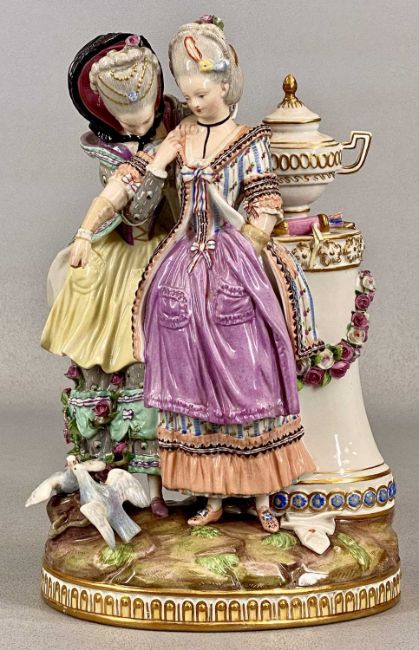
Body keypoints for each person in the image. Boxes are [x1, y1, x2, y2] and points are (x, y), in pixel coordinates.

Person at [126, 18, 322, 532]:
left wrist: (247, 249)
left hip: (234, 258)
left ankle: (262, 494)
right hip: (184, 263)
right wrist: (156, 166)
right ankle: (210, 494)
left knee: (248, 373)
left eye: (202, 93)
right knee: (188, 375)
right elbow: (140, 202)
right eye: (187, 94)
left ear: (225, 83)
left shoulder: (248, 139)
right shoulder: (182, 136)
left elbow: (266, 202)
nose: (193, 103)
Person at [41, 33, 185, 517]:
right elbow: (127, 207)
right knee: (119, 340)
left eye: (146, 115)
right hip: (132, 247)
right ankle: (106, 468)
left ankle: (175, 477)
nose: (141, 126)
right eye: (130, 121)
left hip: (179, 237)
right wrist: (85, 234)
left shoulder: (177, 118)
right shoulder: (117, 156)